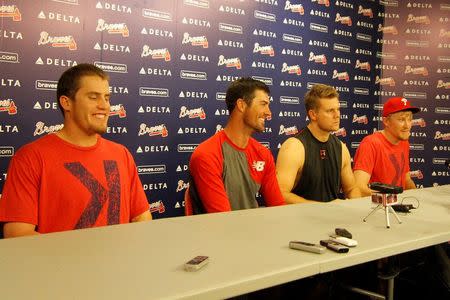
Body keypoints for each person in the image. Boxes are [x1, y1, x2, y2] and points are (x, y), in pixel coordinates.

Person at [0, 64, 151, 238]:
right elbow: (17, 234)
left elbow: (141, 216)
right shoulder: (30, 158)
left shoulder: (121, 154)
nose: (104, 106)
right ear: (66, 102)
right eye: (93, 97)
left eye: (107, 98)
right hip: (60, 265)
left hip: (120, 262)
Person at [187, 77, 285, 214]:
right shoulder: (207, 154)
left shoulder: (263, 154)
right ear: (241, 105)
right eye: (263, 104)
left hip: (252, 231)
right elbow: (222, 219)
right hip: (219, 233)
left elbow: (278, 208)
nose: (269, 113)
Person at [276, 83, 360, 203]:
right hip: (300, 220)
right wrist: (323, 209)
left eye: (338, 109)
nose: (337, 115)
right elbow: (281, 194)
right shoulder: (294, 147)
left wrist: (355, 207)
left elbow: (351, 189)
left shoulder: (341, 148)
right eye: (330, 110)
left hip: (332, 220)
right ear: (313, 114)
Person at [353, 97, 419, 195]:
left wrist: (418, 198)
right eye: (401, 119)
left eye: (410, 119)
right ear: (386, 121)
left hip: (397, 205)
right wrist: (387, 200)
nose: (407, 125)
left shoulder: (404, 143)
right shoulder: (370, 144)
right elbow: (359, 187)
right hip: (375, 207)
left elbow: (407, 180)